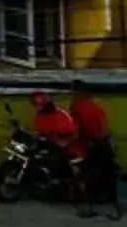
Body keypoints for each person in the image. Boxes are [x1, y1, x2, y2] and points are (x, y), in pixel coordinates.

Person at [72, 88, 119, 219]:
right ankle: (113, 208)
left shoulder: (77, 108)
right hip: (104, 143)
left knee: (84, 174)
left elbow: (76, 131)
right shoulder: (96, 107)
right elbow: (106, 127)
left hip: (92, 144)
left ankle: (86, 207)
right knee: (108, 175)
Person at [34, 90, 85, 197]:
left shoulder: (61, 115)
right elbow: (40, 131)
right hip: (50, 145)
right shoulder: (41, 116)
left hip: (66, 147)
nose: (38, 107)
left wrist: (56, 135)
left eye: (40, 105)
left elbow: (70, 132)